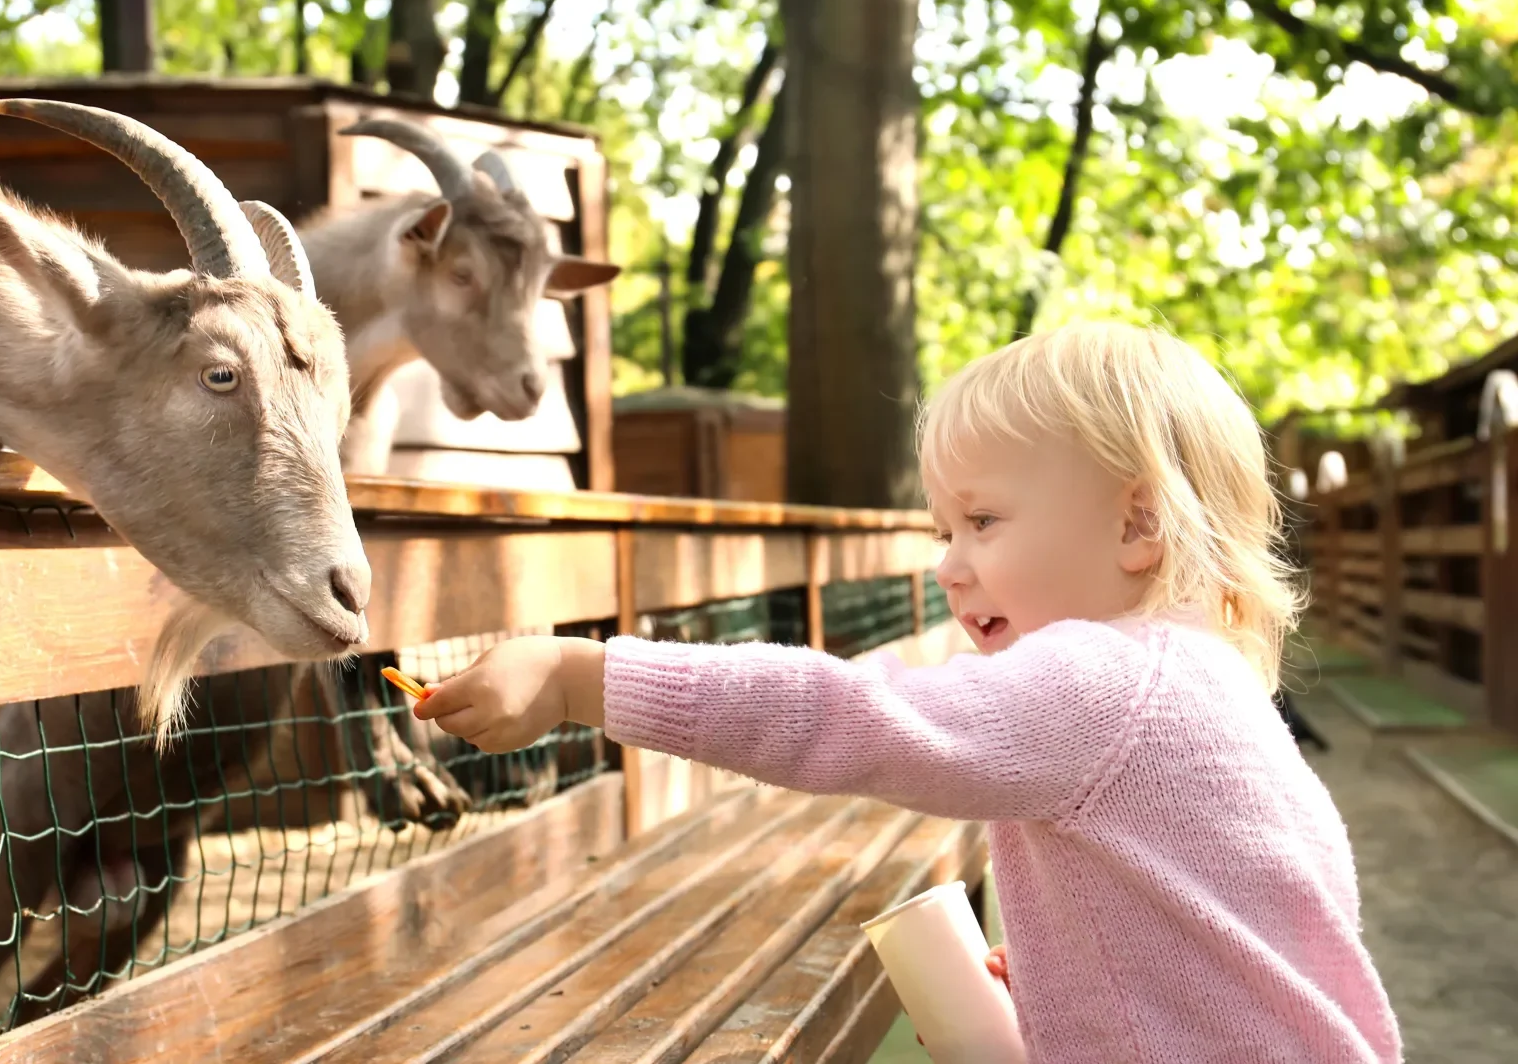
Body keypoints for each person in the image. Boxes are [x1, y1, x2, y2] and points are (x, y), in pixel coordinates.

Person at [412, 322, 1401, 1063]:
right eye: (942, 531)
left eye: (982, 521)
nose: (950, 566)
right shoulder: (1204, 680)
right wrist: (1076, 989)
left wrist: (587, 675)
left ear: (1137, 526)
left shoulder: (1106, 677)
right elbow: (1241, 932)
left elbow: (853, 717)